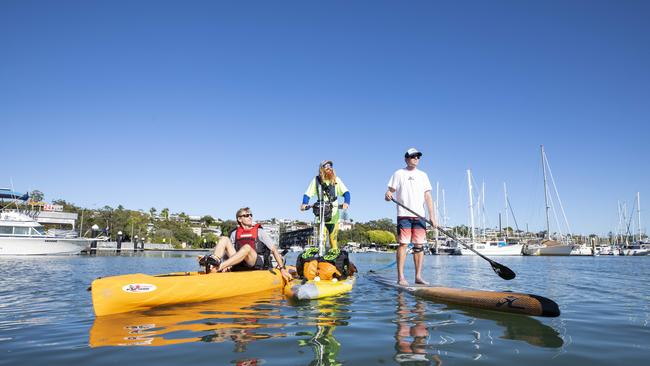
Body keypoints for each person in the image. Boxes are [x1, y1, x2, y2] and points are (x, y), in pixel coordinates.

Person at [385, 148, 436, 286]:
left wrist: (432, 216)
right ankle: (401, 277)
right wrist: (388, 195)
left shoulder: (423, 175)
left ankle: (418, 276)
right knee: (403, 244)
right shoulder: (399, 173)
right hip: (404, 215)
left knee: (419, 246)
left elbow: (428, 197)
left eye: (418, 157)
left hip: (420, 216)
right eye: (413, 156)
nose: (416, 159)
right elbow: (389, 192)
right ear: (406, 159)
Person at [200, 207, 291, 282]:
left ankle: (219, 267)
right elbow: (227, 251)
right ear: (240, 219)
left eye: (251, 215)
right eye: (246, 215)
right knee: (224, 239)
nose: (250, 217)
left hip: (254, 262)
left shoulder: (260, 232)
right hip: (239, 262)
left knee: (246, 247)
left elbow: (274, 250)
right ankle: (212, 263)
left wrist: (282, 269)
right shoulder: (234, 233)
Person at [300, 160, 350, 259]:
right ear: (321, 169)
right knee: (321, 240)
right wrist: (304, 204)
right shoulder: (316, 180)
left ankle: (335, 261)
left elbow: (346, 193)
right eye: (327, 168)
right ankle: (319, 260)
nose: (329, 169)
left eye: (331, 167)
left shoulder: (336, 180)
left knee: (333, 240)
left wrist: (346, 203)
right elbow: (307, 194)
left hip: (333, 214)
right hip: (321, 214)